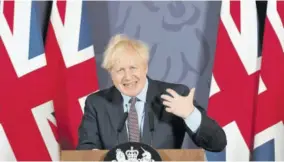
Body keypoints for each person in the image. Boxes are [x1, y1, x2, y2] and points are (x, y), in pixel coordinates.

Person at [76, 34, 227, 152]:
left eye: (133, 68)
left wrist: (190, 114)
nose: (128, 77)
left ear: (145, 67)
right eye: (120, 70)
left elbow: (217, 143)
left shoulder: (174, 95)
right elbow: (86, 149)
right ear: (111, 73)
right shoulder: (97, 104)